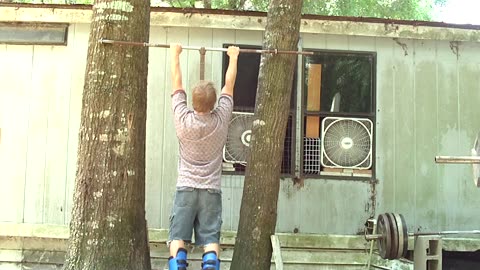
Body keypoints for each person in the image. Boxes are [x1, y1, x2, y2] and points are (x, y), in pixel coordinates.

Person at [168, 44, 240, 270]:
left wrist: (175, 53)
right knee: (210, 240)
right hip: (210, 190)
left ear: (193, 101)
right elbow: (229, 85)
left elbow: (177, 83)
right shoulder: (221, 120)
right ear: (213, 102)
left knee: (177, 238)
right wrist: (233, 57)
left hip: (186, 188)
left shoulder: (182, 118)